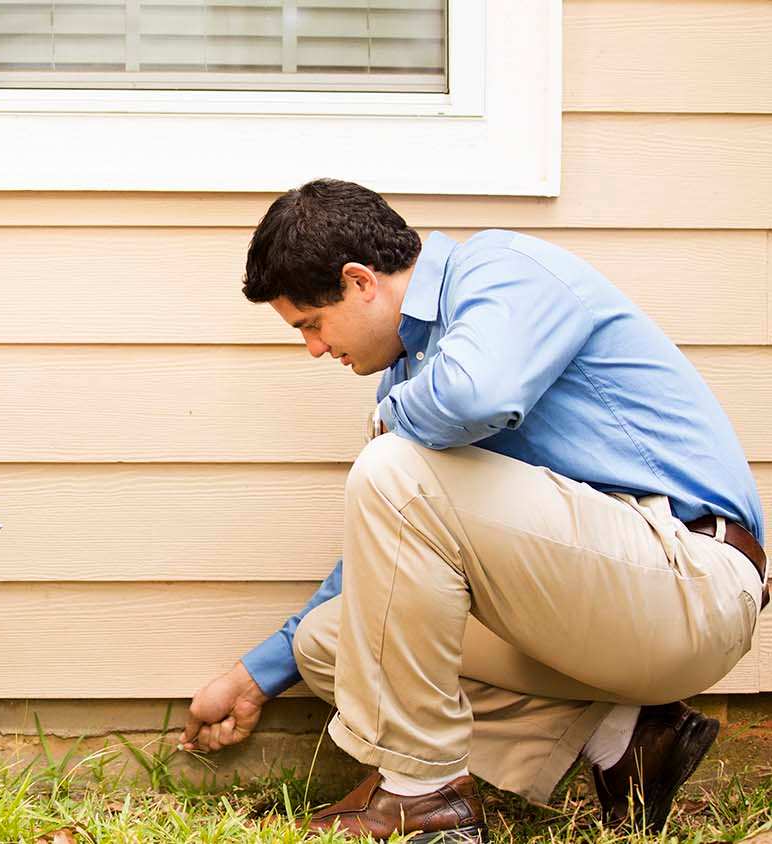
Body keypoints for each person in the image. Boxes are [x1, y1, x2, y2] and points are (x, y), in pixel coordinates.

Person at [180, 179, 765, 840]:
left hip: (690, 581)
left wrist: (388, 427)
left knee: (392, 469)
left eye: (312, 324)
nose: (315, 348)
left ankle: (424, 795)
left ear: (359, 281)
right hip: (604, 610)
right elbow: (386, 566)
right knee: (331, 641)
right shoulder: (411, 380)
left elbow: (478, 396)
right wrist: (254, 678)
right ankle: (624, 737)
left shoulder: (499, 272)